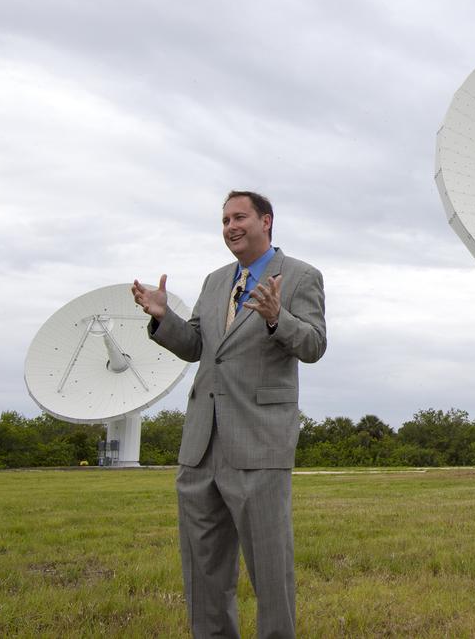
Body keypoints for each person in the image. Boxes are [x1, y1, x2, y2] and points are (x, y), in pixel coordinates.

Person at [132, 190, 326, 639]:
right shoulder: (216, 281)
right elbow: (198, 346)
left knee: (270, 572)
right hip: (201, 446)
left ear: (266, 221)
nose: (230, 227)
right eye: (224, 220)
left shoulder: (300, 276)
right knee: (204, 571)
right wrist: (164, 319)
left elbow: (314, 345)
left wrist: (279, 318)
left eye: (240, 217)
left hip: (259, 444)